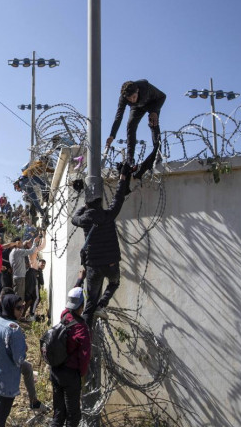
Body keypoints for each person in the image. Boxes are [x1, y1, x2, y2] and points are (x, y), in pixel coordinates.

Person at [71, 163, 132, 329]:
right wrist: (122, 178)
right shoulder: (108, 215)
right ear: (100, 203)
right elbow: (119, 198)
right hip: (111, 264)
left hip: (93, 267)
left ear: (88, 204)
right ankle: (102, 304)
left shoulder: (83, 220)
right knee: (114, 283)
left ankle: (84, 336)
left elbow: (73, 218)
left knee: (89, 304)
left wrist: (84, 205)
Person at [0, 294, 28, 427]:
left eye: (23, 307)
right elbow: (19, 360)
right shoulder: (13, 329)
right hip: (5, 383)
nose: (22, 311)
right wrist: (23, 349)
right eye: (18, 308)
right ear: (9, 308)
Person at [106, 79, 166, 179]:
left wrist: (154, 111)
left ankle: (157, 154)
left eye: (133, 97)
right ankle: (130, 159)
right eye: (130, 99)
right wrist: (112, 135)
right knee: (130, 126)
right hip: (137, 108)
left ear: (137, 90)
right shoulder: (123, 98)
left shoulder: (145, 87)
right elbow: (118, 116)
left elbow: (162, 96)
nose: (132, 100)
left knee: (153, 124)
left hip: (152, 103)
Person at [49, 287, 91, 427]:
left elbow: (73, 300)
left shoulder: (64, 315)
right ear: (82, 306)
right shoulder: (81, 328)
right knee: (73, 416)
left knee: (59, 413)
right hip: (70, 375)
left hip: (55, 370)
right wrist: (82, 374)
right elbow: (85, 355)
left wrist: (79, 281)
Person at [9, 236, 40, 313]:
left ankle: (16, 314)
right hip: (19, 278)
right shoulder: (17, 251)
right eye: (21, 242)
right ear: (17, 243)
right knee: (18, 298)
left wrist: (26, 243)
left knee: (19, 297)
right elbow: (31, 251)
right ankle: (15, 315)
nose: (22, 243)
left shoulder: (14, 251)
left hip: (18, 276)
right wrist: (34, 242)